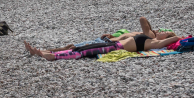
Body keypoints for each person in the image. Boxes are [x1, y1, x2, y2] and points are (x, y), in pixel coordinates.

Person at [24, 18, 181, 61]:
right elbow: (143, 20)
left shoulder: (153, 41)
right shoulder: (149, 35)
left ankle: (54, 56)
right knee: (82, 49)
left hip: (116, 48)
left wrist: (175, 37)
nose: (161, 31)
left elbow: (143, 19)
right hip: (114, 44)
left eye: (164, 32)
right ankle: (47, 52)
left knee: (84, 52)